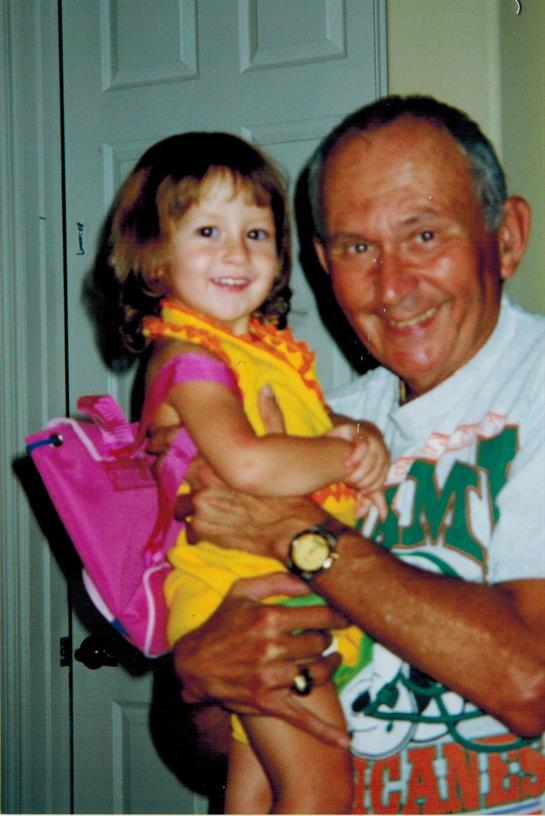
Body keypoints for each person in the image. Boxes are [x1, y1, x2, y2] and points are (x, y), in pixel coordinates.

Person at [161, 97, 545, 814]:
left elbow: (530, 683)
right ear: (320, 263)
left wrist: (292, 530)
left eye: (423, 235)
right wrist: (201, 680)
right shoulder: (312, 423)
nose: (392, 286)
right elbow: (201, 752)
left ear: (507, 237)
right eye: (356, 248)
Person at [107, 131, 390, 813]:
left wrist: (362, 432)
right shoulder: (188, 356)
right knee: (320, 789)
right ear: (154, 258)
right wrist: (348, 456)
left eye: (256, 233)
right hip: (246, 602)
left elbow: (312, 425)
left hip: (260, 589)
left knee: (255, 789)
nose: (237, 252)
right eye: (208, 230)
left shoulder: (253, 352)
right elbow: (248, 461)